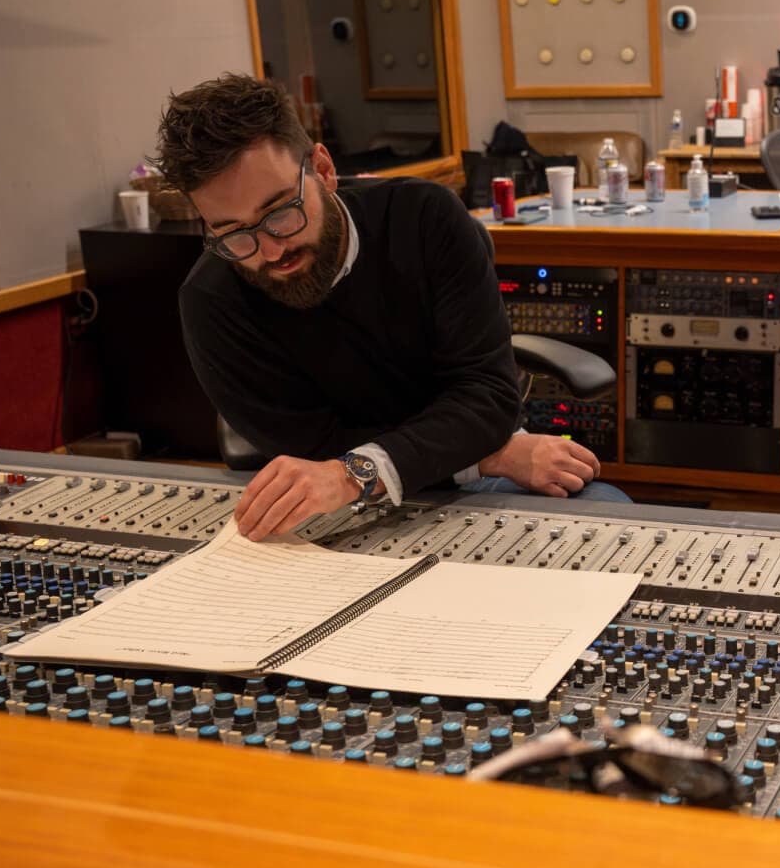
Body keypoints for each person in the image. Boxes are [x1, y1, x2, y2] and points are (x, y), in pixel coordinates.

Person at [157, 73, 627, 542]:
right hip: (330, 506)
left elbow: (487, 395)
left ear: (322, 170)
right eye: (233, 232)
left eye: (280, 211)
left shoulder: (426, 218)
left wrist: (357, 471)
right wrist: (488, 455)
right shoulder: (210, 300)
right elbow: (308, 449)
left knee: (613, 524)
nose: (270, 251)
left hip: (409, 476)